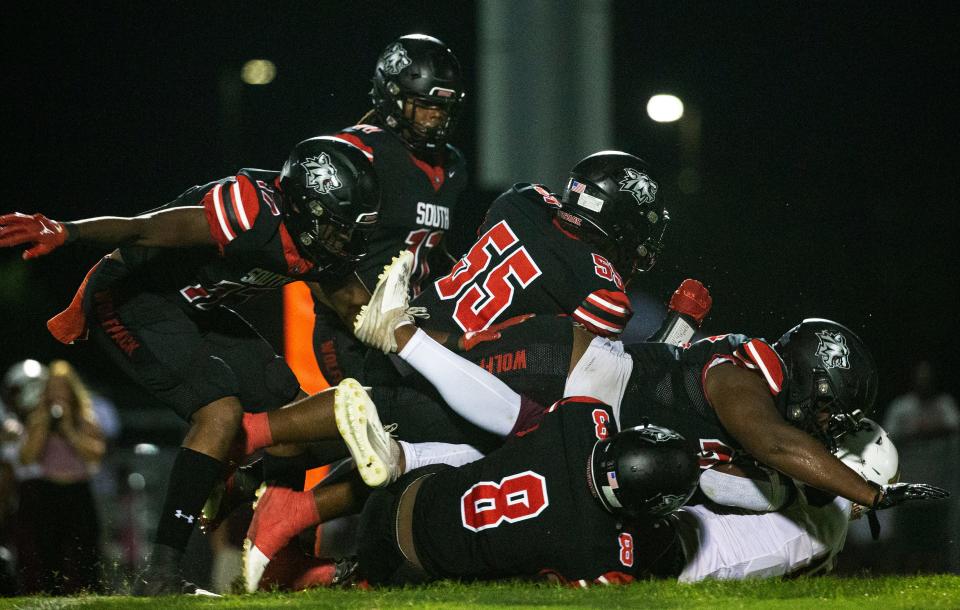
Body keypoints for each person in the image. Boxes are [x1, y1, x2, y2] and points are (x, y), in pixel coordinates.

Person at [0, 136, 381, 595]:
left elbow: (364, 310)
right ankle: (160, 572)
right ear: (305, 209)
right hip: (131, 298)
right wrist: (68, 230)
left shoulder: (313, 241)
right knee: (219, 411)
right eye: (338, 227)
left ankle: (277, 549)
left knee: (292, 411)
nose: (344, 241)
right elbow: (146, 228)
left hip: (196, 308)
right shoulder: (249, 211)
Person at [354, 149, 670, 356]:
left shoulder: (521, 201)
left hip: (416, 324)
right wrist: (675, 329)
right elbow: (606, 375)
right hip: (446, 371)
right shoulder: (600, 288)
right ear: (620, 220)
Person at [312, 33, 469, 385]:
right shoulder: (357, 153)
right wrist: (363, 317)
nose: (434, 118)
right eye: (423, 105)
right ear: (392, 95)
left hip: (418, 322)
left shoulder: (453, 165)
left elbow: (430, 246)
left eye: (442, 107)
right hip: (352, 327)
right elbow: (313, 259)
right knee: (369, 425)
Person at [12, 360, 106, 594]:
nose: (57, 393)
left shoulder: (84, 418)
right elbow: (27, 458)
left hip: (78, 489)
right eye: (52, 387)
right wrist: (44, 424)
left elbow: (96, 454)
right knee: (47, 550)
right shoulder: (38, 418)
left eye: (61, 387)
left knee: (85, 549)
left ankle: (89, 593)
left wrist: (69, 431)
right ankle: (50, 593)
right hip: (47, 491)